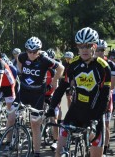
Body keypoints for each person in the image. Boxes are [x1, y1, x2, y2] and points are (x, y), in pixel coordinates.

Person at [47, 27, 111, 157]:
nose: (84, 50)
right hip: (75, 112)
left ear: (94, 46)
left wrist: (96, 119)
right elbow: (62, 88)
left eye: (88, 46)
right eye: (81, 46)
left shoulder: (104, 68)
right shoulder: (73, 64)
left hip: (95, 114)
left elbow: (105, 97)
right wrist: (52, 107)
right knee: (58, 152)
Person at [16, 36, 64, 157]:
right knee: (13, 114)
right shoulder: (22, 56)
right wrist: (20, 72)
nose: (31, 54)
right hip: (24, 91)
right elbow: (19, 61)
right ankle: (15, 140)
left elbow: (61, 68)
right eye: (29, 51)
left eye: (35, 52)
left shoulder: (44, 59)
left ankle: (36, 152)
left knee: (35, 124)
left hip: (37, 94)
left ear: (39, 50)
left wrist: (54, 81)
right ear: (26, 50)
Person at [94, 39, 115, 156]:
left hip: (106, 97)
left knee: (105, 124)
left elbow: (112, 85)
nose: (99, 52)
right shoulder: (91, 62)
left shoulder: (111, 65)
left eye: (102, 50)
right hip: (92, 98)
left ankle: (105, 150)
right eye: (97, 50)